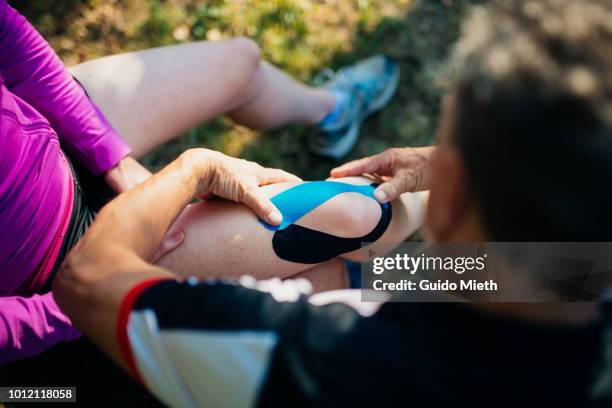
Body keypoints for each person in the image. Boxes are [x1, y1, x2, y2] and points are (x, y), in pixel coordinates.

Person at [54, 0, 612, 406]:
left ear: (450, 195)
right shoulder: (578, 282)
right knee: (362, 244)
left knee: (46, 393)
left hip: (57, 356)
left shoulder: (310, 358)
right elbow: (561, 274)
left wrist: (191, 168)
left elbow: (87, 280)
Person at [0, 0, 400, 364]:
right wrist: (88, 294)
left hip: (48, 139)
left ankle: (331, 114)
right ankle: (441, 284)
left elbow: (7, 32)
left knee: (239, 62)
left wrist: (114, 160)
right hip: (50, 269)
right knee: (350, 218)